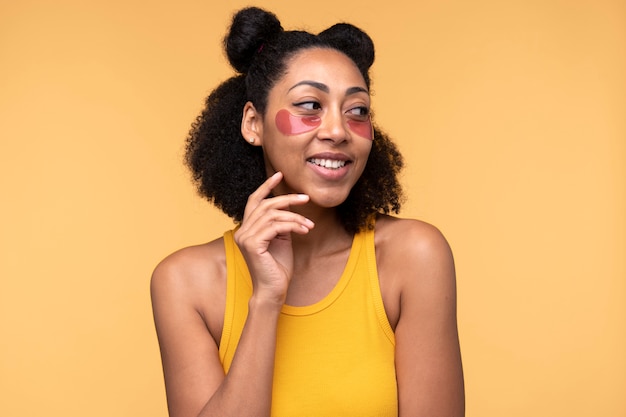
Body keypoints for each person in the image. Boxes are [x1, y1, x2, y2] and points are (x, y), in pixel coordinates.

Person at [151, 6, 464, 417]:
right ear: (253, 123)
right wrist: (265, 300)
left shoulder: (413, 257)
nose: (337, 130)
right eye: (310, 105)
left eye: (357, 111)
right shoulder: (185, 284)